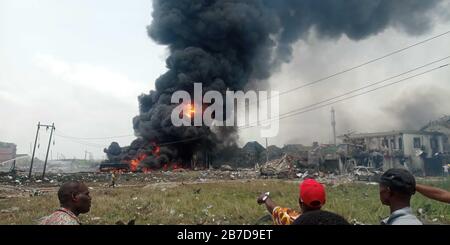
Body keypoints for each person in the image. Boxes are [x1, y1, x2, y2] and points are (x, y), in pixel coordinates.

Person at [257, 178, 326, 225]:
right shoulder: (331, 221)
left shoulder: (292, 220)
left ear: (300, 201)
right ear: (324, 202)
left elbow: (275, 210)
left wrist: (265, 198)